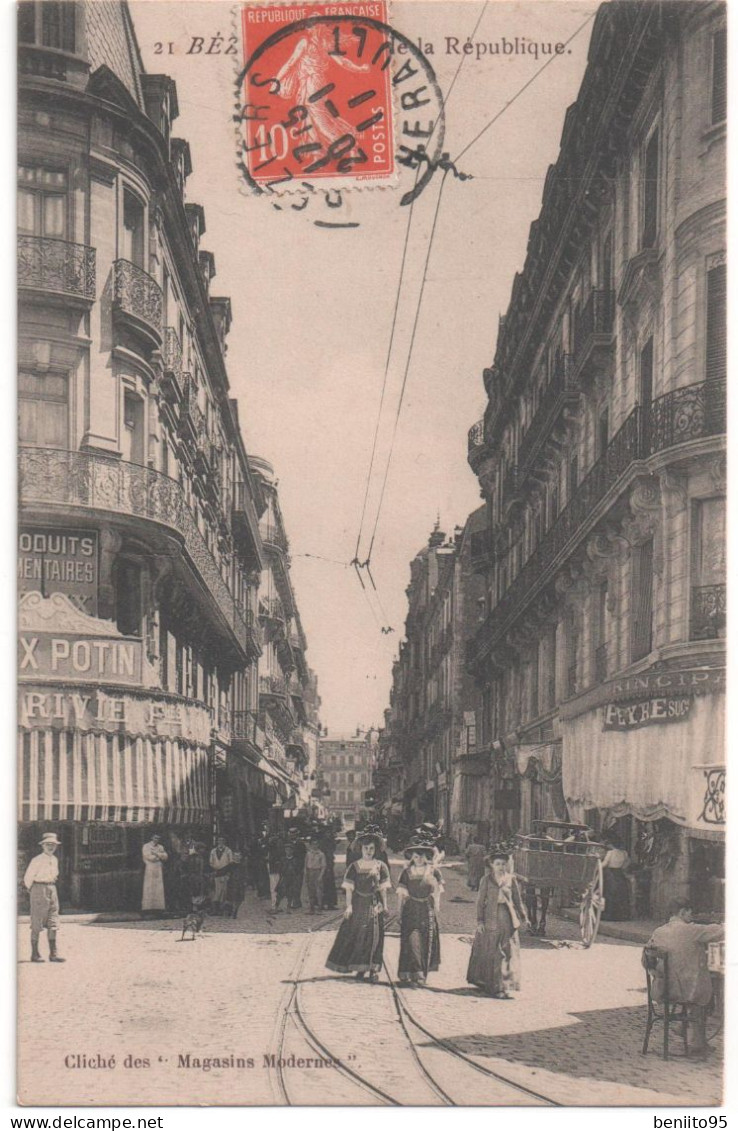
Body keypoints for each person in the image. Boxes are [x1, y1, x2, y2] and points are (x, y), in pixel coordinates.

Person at [647, 899, 724, 1058]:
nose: (692, 916)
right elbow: (719, 932)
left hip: (662, 989)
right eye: (690, 912)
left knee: (697, 985)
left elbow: (646, 960)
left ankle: (688, 1032)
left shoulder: (658, 932)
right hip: (684, 991)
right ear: (682, 912)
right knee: (704, 991)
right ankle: (696, 1044)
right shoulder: (691, 931)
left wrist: (657, 974)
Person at [326, 832, 391, 983]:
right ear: (361, 849)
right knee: (358, 936)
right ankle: (360, 968)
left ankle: (373, 969)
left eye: (371, 849)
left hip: (374, 904)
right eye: (366, 848)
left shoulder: (381, 866)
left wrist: (385, 906)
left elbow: (383, 889)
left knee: (374, 936)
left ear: (375, 850)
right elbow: (349, 889)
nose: (368, 851)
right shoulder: (353, 867)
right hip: (358, 904)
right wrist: (348, 907)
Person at [467, 848, 527, 999]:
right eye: (497, 864)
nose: (500, 866)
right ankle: (491, 984)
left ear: (506, 865)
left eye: (503, 864)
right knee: (492, 951)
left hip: (507, 918)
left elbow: (517, 900)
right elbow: (480, 902)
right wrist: (480, 921)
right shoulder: (486, 880)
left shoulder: (510, 879)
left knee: (507, 951)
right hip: (490, 918)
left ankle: (504, 986)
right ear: (492, 865)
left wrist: (524, 917)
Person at [396, 838, 443, 986]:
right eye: (416, 856)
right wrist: (399, 912)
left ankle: (422, 974)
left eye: (422, 856)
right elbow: (401, 895)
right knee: (412, 941)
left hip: (427, 910)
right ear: (412, 857)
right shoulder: (406, 872)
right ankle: (413, 973)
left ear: (427, 856)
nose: (419, 859)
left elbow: (437, 893)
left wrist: (436, 909)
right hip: (411, 909)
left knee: (426, 941)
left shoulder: (434, 872)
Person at [24, 832, 65, 963]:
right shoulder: (36, 860)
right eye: (48, 844)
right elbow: (27, 878)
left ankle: (53, 954)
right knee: (37, 921)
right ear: (42, 846)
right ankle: (35, 954)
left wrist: (50, 886)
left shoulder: (55, 860)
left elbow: (55, 875)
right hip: (38, 888)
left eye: (53, 845)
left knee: (53, 919)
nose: (51, 847)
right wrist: (34, 891)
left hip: (52, 888)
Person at [601, 837, 631, 921]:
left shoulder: (610, 852)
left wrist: (597, 865)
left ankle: (609, 915)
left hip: (611, 874)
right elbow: (627, 863)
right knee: (621, 894)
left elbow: (605, 864)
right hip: (620, 874)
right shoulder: (624, 853)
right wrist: (622, 867)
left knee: (610, 893)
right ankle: (621, 915)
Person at [141, 833, 168, 917]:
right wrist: (158, 856)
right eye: (155, 838)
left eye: (158, 838)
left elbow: (165, 856)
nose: (157, 840)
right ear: (152, 838)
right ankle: (148, 908)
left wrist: (157, 854)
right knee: (149, 887)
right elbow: (149, 857)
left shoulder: (161, 847)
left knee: (159, 888)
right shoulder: (146, 846)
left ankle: (159, 908)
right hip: (150, 868)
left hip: (158, 868)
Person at [209, 836, 234, 915]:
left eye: (222, 841)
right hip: (216, 872)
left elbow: (231, 862)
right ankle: (216, 909)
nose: (220, 842)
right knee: (217, 891)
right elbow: (211, 862)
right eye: (219, 841)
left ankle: (223, 909)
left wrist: (228, 872)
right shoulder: (213, 851)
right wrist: (214, 868)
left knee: (224, 891)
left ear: (224, 842)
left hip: (225, 872)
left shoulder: (228, 851)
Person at [304, 836, 327, 913]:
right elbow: (306, 865)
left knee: (319, 891)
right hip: (310, 872)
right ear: (310, 845)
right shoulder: (308, 854)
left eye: (316, 844)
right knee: (311, 891)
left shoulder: (321, 854)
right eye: (313, 844)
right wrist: (306, 874)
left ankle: (320, 908)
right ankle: (311, 907)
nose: (315, 846)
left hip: (317, 871)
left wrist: (320, 876)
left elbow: (324, 866)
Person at [267, 830, 285, 911]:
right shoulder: (277, 851)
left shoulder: (274, 852)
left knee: (274, 889)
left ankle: (275, 906)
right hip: (275, 870)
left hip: (275, 870)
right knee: (275, 889)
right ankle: (276, 905)